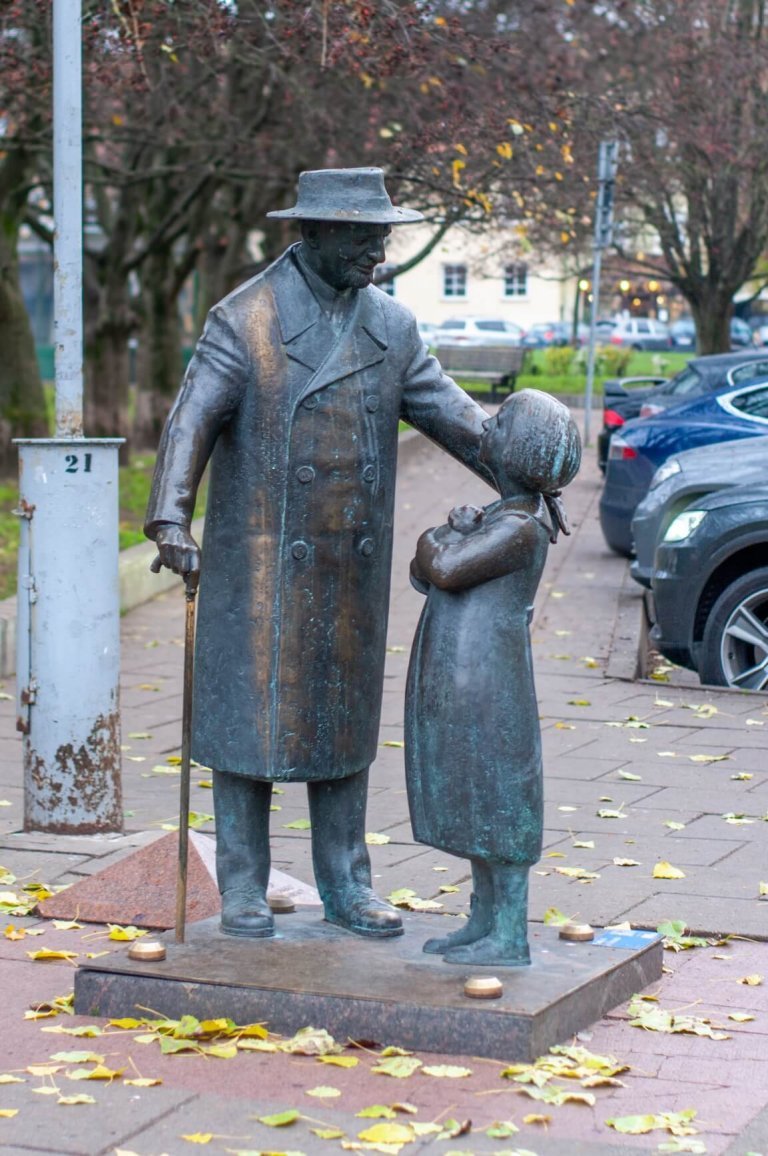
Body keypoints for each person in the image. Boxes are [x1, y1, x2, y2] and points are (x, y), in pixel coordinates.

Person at [145, 167, 495, 940]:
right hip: (262, 564)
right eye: (365, 237)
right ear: (316, 233)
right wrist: (170, 519)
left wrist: (528, 470)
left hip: (350, 571)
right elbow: (191, 418)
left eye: (382, 236)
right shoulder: (248, 319)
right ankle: (242, 883)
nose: (378, 252)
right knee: (249, 727)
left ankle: (346, 882)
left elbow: (451, 415)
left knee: (341, 730)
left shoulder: (392, 326)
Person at [405, 390, 581, 966]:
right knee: (471, 793)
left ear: (518, 450)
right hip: (461, 676)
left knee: (501, 793)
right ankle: (481, 919)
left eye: (500, 421)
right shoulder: (500, 517)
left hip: (490, 682)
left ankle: (509, 932)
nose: (488, 424)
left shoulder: (522, 528)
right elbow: (422, 576)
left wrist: (439, 536)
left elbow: (443, 569)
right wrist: (451, 536)